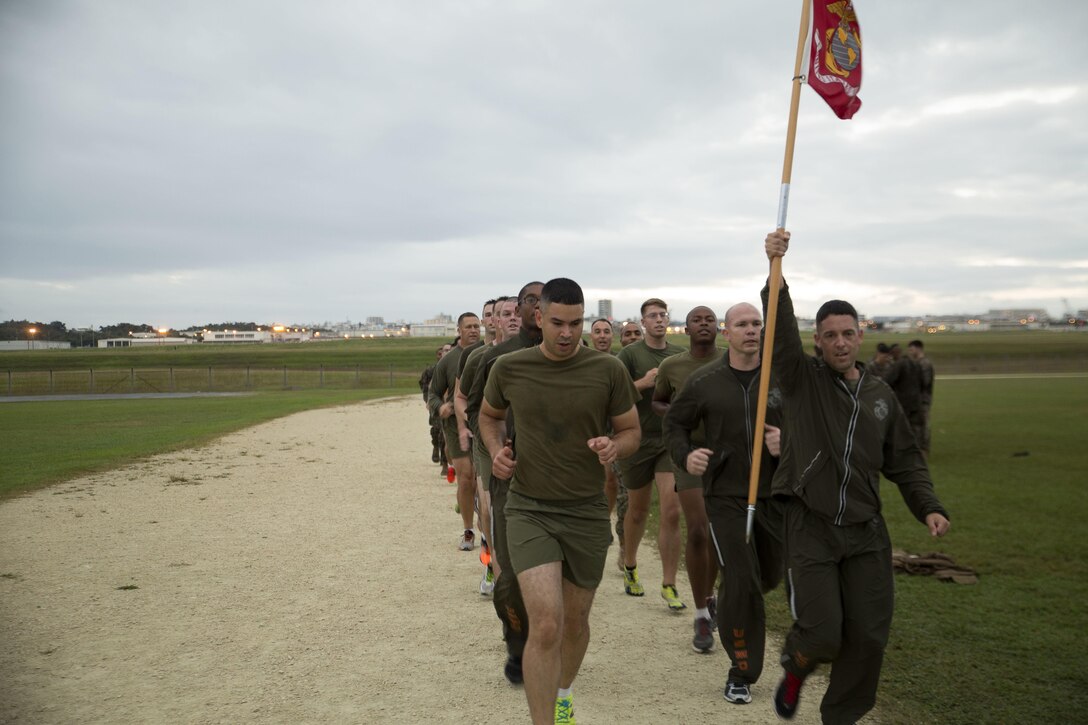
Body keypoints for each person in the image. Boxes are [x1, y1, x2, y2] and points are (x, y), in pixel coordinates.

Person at [762, 230, 951, 724]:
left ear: (860, 335)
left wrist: (928, 505)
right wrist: (776, 275)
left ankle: (841, 716)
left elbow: (906, 461)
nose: (840, 342)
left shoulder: (880, 397)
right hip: (811, 526)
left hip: (866, 532)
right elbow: (780, 339)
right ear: (818, 340)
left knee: (867, 636)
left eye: (848, 333)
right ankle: (798, 662)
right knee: (824, 633)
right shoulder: (801, 381)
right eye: (830, 335)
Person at [479, 277, 640, 725]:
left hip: (586, 510)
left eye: (575, 323)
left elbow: (631, 431)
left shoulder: (607, 370)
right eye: (557, 323)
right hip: (530, 508)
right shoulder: (510, 368)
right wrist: (496, 453)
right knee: (546, 624)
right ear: (538, 318)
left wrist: (614, 447)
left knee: (575, 621)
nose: (567, 333)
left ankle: (563, 691)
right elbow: (489, 417)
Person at [664, 302, 785, 704]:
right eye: (742, 325)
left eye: (756, 324)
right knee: (744, 581)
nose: (751, 330)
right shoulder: (705, 382)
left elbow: (810, 426)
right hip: (727, 497)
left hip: (777, 495)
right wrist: (687, 456)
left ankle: (724, 596)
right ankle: (742, 672)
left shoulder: (780, 379)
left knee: (768, 575)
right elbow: (675, 423)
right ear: (726, 333)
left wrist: (787, 442)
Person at [465, 282, 544, 684]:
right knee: (511, 578)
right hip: (510, 480)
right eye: (528, 300)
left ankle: (547, 651)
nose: (534, 307)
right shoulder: (497, 357)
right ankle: (517, 642)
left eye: (541, 299)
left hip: (561, 483)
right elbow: (478, 411)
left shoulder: (576, 358)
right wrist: (495, 450)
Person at [651, 305, 724, 651]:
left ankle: (711, 597)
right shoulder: (672, 366)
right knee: (697, 529)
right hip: (688, 453)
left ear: (719, 327)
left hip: (730, 456)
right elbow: (658, 402)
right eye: (697, 319)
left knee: (723, 533)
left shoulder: (731, 360)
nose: (704, 324)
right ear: (688, 328)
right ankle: (700, 614)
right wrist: (682, 412)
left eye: (710, 319)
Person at [616, 299, 686, 610]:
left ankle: (669, 584)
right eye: (652, 316)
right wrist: (643, 383)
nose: (659, 320)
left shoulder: (677, 356)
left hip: (668, 442)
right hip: (636, 441)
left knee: (672, 510)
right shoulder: (630, 355)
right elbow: (615, 396)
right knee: (638, 510)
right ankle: (630, 564)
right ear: (642, 323)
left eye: (662, 315)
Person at [427, 312, 481, 550]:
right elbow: (433, 394)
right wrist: (442, 408)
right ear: (459, 331)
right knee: (467, 479)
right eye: (468, 327)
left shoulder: (486, 353)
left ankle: (486, 524)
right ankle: (468, 531)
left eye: (476, 326)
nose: (473, 330)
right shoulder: (448, 362)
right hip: (454, 428)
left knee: (482, 482)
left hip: (481, 425)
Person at [907, 339, 935, 457]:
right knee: (915, 425)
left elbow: (925, 382)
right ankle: (916, 449)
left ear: (918, 349)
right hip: (915, 400)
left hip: (923, 400)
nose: (910, 352)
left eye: (911, 349)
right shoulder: (916, 363)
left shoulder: (925, 364)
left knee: (923, 424)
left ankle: (924, 450)